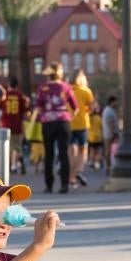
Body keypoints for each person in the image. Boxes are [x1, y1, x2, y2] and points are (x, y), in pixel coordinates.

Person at [34, 62, 77, 194]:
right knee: (64, 153)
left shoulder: (43, 88)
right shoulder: (66, 87)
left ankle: (49, 185)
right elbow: (75, 107)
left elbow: (38, 107)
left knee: (49, 154)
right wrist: (69, 117)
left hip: (48, 122)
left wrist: (45, 115)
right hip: (63, 121)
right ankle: (64, 184)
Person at [0, 77, 30, 175]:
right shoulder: (20, 96)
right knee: (17, 147)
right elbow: (25, 111)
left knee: (8, 147)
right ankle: (18, 163)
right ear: (17, 85)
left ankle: (11, 166)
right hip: (17, 124)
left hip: (5, 124)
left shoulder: (5, 95)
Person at [68, 69, 94, 187]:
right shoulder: (86, 91)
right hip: (83, 123)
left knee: (72, 151)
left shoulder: (67, 90)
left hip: (69, 123)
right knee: (83, 149)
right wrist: (85, 111)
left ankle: (71, 178)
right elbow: (92, 108)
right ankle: (79, 170)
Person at [101, 95, 119, 171]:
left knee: (108, 150)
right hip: (109, 134)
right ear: (112, 102)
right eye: (115, 102)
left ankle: (109, 166)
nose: (116, 103)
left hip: (107, 133)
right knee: (109, 150)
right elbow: (111, 123)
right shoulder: (109, 111)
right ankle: (109, 166)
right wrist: (114, 134)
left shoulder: (107, 110)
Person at [88, 98, 104, 170]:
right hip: (98, 137)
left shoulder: (89, 118)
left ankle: (91, 162)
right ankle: (96, 163)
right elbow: (102, 127)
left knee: (91, 150)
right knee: (98, 150)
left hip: (91, 137)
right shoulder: (99, 118)